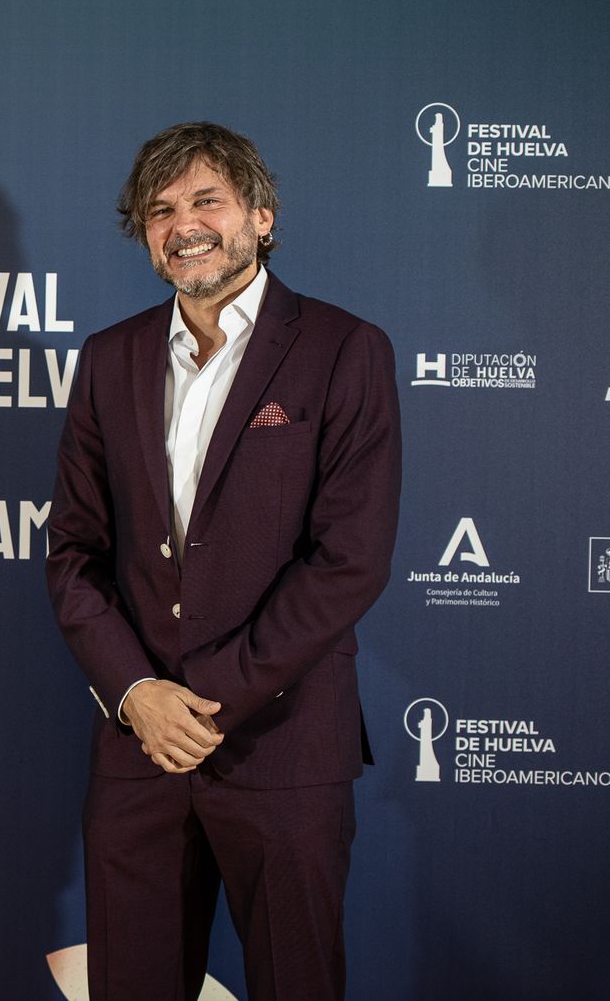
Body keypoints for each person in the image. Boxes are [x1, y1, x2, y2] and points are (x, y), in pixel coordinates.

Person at [46, 122, 400, 1000]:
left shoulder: (344, 349)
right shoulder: (108, 359)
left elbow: (349, 560)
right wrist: (138, 696)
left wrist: (204, 699)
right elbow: (74, 553)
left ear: (261, 216)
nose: (185, 225)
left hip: (281, 748)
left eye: (208, 200)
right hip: (140, 754)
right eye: (162, 211)